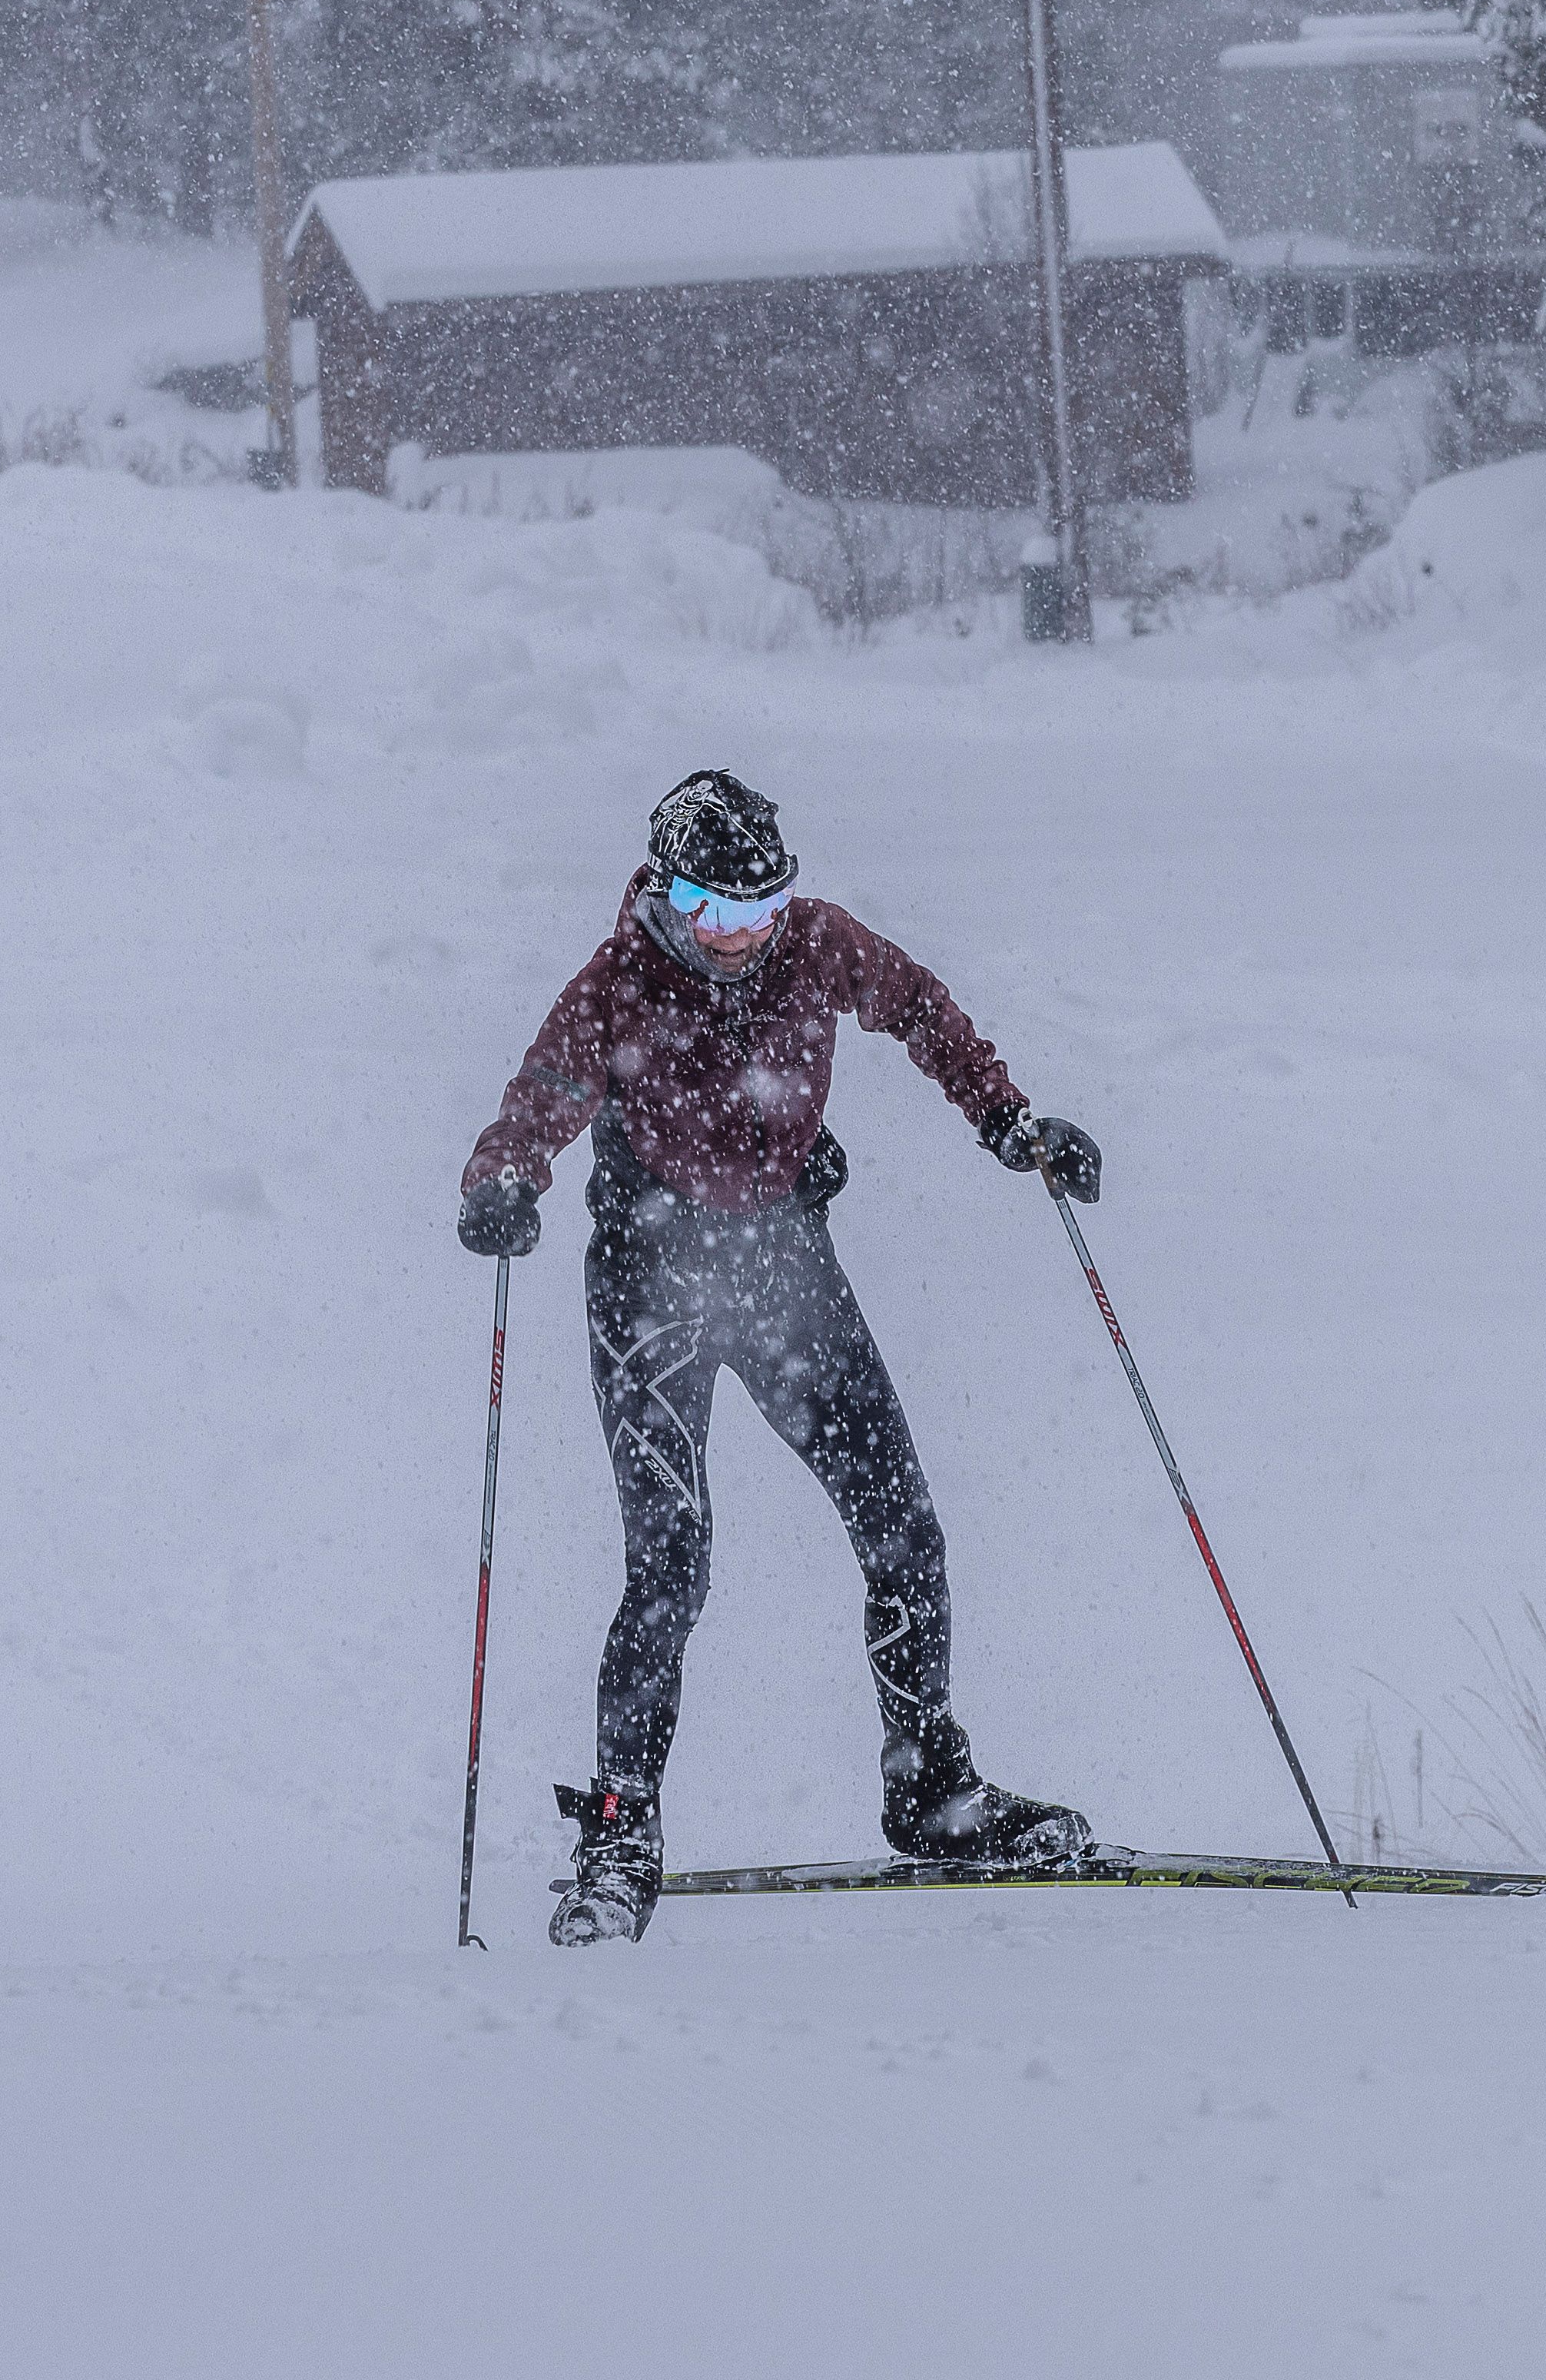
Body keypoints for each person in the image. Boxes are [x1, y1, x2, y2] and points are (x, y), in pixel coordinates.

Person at [459, 768, 1107, 1947]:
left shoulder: (815, 945)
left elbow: (923, 1012)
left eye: (759, 912)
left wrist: (1013, 1123)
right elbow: (540, 1098)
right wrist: (504, 1179)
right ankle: (621, 1829)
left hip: (784, 1277)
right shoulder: (617, 987)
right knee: (673, 1562)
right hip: (652, 1292)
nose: (740, 938)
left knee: (903, 1528)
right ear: (667, 897)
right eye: (714, 912)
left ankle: (932, 1787)